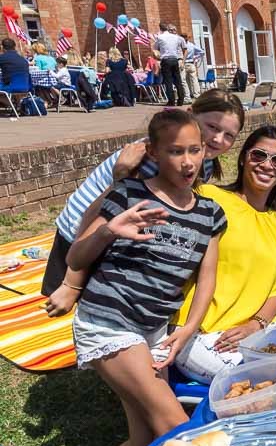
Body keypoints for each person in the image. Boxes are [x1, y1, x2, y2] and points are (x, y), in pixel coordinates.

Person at [66, 109, 226, 446]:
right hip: (108, 322)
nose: (188, 162)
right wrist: (109, 232)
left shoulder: (210, 214)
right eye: (175, 151)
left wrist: (188, 331)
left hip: (154, 331)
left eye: (195, 150)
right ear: (153, 153)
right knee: (176, 423)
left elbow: (207, 280)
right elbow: (75, 257)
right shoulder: (129, 194)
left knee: (145, 439)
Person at [43, 89, 245, 316]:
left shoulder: (202, 161)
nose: (219, 139)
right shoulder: (153, 160)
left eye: (229, 135)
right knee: (79, 308)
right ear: (190, 115)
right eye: (212, 127)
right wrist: (72, 284)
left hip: (109, 236)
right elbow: (100, 216)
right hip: (80, 234)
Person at [175, 126, 276, 382]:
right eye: (258, 155)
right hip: (203, 333)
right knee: (264, 382)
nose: (267, 165)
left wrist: (255, 325)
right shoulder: (209, 197)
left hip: (258, 331)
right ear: (243, 158)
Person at [155, 23, 186, 106]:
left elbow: (156, 48)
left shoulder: (160, 37)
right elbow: (182, 47)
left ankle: (171, 100)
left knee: (168, 81)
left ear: (160, 29)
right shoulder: (176, 37)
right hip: (175, 59)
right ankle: (181, 100)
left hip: (166, 60)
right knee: (178, 80)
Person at [182, 34, 204, 100]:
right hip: (191, 63)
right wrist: (195, 57)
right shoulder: (192, 45)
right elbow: (202, 52)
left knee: (184, 80)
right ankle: (196, 94)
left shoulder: (181, 46)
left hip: (184, 63)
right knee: (194, 80)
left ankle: (188, 95)